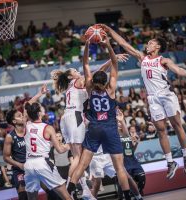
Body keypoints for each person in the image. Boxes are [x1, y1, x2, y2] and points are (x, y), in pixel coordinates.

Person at [101, 24, 186, 179]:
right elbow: (123, 44)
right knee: (160, 129)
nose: (148, 45)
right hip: (153, 97)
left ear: (158, 46)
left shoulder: (163, 60)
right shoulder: (142, 58)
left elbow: (177, 69)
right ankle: (170, 162)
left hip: (167, 95)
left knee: (177, 125)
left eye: (151, 43)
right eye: (148, 43)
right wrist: (109, 30)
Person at [51, 46, 128, 199]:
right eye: (74, 71)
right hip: (77, 117)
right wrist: (112, 60)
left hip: (66, 118)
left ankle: (84, 190)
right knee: (79, 159)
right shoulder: (80, 82)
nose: (77, 71)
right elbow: (97, 72)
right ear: (71, 76)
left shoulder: (70, 86)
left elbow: (92, 71)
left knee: (76, 156)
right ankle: (69, 188)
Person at [23, 96, 72, 200]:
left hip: (28, 165)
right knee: (66, 196)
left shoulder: (26, 125)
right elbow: (60, 149)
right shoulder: (48, 128)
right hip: (43, 163)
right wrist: (72, 144)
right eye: (41, 108)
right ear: (39, 113)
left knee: (31, 198)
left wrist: (39, 93)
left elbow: (25, 106)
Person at [3, 109, 27, 200]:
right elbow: (5, 157)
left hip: (34, 166)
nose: (22, 117)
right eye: (19, 115)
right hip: (20, 169)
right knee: (23, 196)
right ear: (14, 121)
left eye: (22, 115)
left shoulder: (30, 130)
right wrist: (19, 165)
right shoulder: (10, 137)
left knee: (51, 190)